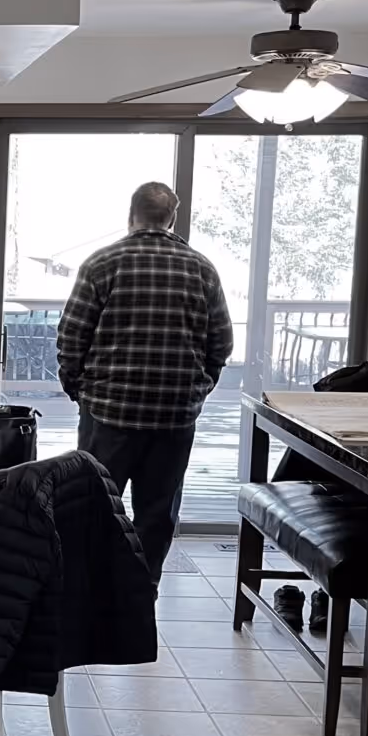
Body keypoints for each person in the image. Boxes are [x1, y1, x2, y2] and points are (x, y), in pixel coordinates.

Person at [56, 180, 234, 583]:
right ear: (172, 218)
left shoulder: (102, 263)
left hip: (109, 414)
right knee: (157, 514)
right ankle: (142, 590)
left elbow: (72, 335)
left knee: (97, 507)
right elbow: (221, 343)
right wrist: (196, 391)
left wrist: (79, 390)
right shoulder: (202, 269)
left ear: (131, 214)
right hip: (173, 418)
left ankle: (97, 590)